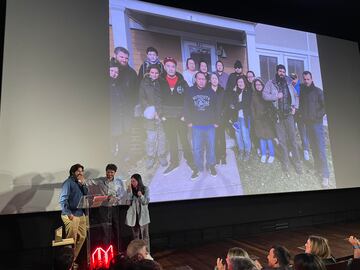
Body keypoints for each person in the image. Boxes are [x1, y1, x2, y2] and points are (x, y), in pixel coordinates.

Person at [263, 64, 302, 176]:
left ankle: (297, 163)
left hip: (289, 115)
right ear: (277, 72)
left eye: (283, 71)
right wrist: (276, 96)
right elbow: (264, 95)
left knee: (293, 140)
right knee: (282, 141)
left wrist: (295, 107)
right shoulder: (271, 83)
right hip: (278, 117)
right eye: (280, 71)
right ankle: (285, 164)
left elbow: (296, 96)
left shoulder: (289, 83)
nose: (282, 73)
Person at [160, 56, 196, 175]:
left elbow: (187, 98)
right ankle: (174, 162)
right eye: (168, 66)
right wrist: (161, 115)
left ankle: (190, 159)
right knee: (172, 140)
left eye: (173, 66)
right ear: (165, 67)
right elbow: (157, 98)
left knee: (184, 139)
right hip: (167, 116)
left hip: (180, 116)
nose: (171, 69)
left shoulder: (182, 81)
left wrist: (185, 114)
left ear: (176, 68)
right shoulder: (160, 81)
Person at [184, 71, 221, 179]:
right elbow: (186, 107)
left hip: (210, 125)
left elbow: (216, 108)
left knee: (211, 147)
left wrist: (217, 121)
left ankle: (211, 165)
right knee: (197, 149)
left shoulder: (211, 92)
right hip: (196, 126)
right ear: (196, 80)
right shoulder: (190, 91)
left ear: (206, 80)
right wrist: (188, 121)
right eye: (199, 79)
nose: (201, 81)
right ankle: (198, 168)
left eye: (203, 79)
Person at [299, 71, 330, 188]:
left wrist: (317, 116)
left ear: (312, 79)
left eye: (308, 79)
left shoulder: (318, 92)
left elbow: (325, 107)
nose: (306, 81)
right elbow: (301, 106)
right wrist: (302, 116)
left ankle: (325, 175)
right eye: (305, 79)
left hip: (317, 125)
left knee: (320, 149)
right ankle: (318, 169)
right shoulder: (303, 92)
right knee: (313, 148)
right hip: (307, 125)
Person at [87, 164, 126, 252]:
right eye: (108, 172)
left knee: (116, 228)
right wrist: (81, 180)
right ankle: (106, 250)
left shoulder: (118, 182)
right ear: (106, 172)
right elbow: (89, 182)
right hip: (104, 208)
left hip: (114, 208)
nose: (110, 174)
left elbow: (122, 193)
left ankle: (119, 250)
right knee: (105, 229)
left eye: (112, 172)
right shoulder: (101, 180)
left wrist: (116, 198)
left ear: (115, 173)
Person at [139, 64, 168, 169]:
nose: (154, 75)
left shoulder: (162, 83)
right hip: (150, 115)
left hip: (161, 115)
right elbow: (142, 99)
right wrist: (152, 111)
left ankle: (162, 155)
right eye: (152, 72)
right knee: (151, 138)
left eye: (156, 73)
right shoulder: (144, 83)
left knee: (162, 137)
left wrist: (160, 113)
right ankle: (150, 157)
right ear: (149, 73)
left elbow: (164, 98)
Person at [113, 47, 139, 163]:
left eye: (126, 58)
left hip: (127, 110)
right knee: (113, 136)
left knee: (126, 135)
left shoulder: (131, 73)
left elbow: (136, 91)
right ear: (115, 55)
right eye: (121, 57)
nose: (124, 60)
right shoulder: (111, 70)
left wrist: (132, 105)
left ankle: (122, 159)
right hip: (112, 111)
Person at [59, 164, 88, 266]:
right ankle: (67, 263)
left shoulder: (80, 183)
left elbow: (86, 195)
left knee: (83, 236)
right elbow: (62, 200)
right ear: (73, 172)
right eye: (78, 171)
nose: (80, 173)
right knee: (72, 239)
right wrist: (69, 214)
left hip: (81, 213)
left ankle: (72, 260)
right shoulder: (68, 183)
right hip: (71, 214)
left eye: (82, 171)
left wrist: (83, 184)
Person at [250, 78, 276, 163]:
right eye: (256, 85)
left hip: (267, 119)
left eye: (259, 84)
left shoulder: (266, 93)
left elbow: (271, 106)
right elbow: (252, 108)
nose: (258, 86)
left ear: (262, 85)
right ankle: (264, 154)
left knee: (269, 137)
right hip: (258, 120)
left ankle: (272, 155)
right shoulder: (253, 95)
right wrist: (255, 119)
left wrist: (270, 116)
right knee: (261, 138)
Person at [228, 75, 252, 161]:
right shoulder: (235, 93)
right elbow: (231, 104)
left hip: (244, 117)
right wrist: (234, 106)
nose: (240, 84)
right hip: (236, 118)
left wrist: (235, 106)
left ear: (244, 82)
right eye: (238, 82)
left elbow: (245, 104)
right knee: (238, 135)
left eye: (241, 82)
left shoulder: (248, 92)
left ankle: (247, 151)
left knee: (245, 136)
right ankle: (241, 150)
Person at [125, 174, 151, 252]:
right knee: (135, 237)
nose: (132, 183)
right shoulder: (130, 190)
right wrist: (129, 193)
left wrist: (141, 196)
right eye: (131, 181)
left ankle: (147, 253)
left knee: (145, 236)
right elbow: (128, 203)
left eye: (134, 181)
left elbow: (146, 202)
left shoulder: (145, 189)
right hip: (134, 217)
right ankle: (138, 254)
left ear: (138, 181)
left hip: (143, 217)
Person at [291, 72, 310, 161]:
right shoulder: (289, 86)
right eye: (292, 78)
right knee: (292, 132)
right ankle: (293, 149)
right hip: (293, 113)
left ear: (297, 78)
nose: (293, 80)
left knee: (303, 133)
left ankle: (305, 150)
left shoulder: (302, 86)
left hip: (301, 113)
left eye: (294, 78)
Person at [210, 73, 227, 165]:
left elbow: (225, 104)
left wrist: (222, 114)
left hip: (221, 118)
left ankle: (223, 156)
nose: (214, 80)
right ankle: (217, 156)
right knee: (215, 139)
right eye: (212, 78)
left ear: (218, 80)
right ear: (210, 80)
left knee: (222, 137)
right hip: (212, 120)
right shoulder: (208, 91)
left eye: (216, 78)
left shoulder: (222, 90)